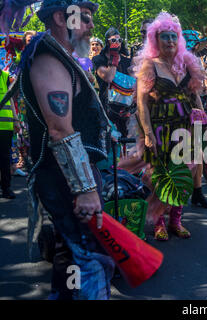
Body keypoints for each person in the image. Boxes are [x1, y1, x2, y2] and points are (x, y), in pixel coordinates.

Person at [14, 0, 115, 299]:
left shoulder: (60, 55)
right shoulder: (49, 59)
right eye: (84, 18)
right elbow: (60, 130)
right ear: (60, 17)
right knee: (82, 258)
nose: (91, 26)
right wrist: (84, 189)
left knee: (75, 254)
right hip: (66, 180)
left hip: (67, 177)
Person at [134, 12, 207, 240]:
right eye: (164, 37)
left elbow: (194, 95)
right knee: (161, 176)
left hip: (185, 129)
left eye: (173, 37)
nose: (169, 41)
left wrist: (203, 119)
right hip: (159, 129)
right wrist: (147, 134)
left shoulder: (186, 63)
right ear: (155, 40)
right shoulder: (150, 66)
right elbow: (142, 103)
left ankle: (176, 219)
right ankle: (159, 223)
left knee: (185, 173)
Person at [93, 27, 134, 138]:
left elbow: (134, 84)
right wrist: (113, 57)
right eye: (113, 40)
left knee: (126, 142)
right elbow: (108, 77)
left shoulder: (127, 61)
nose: (117, 43)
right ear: (107, 42)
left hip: (125, 108)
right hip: (107, 108)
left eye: (119, 41)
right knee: (110, 142)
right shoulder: (98, 59)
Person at [0, 70, 18, 199]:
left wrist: (16, 119)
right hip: (5, 125)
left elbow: (10, 98)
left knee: (4, 158)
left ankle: (6, 188)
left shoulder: (5, 76)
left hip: (5, 125)